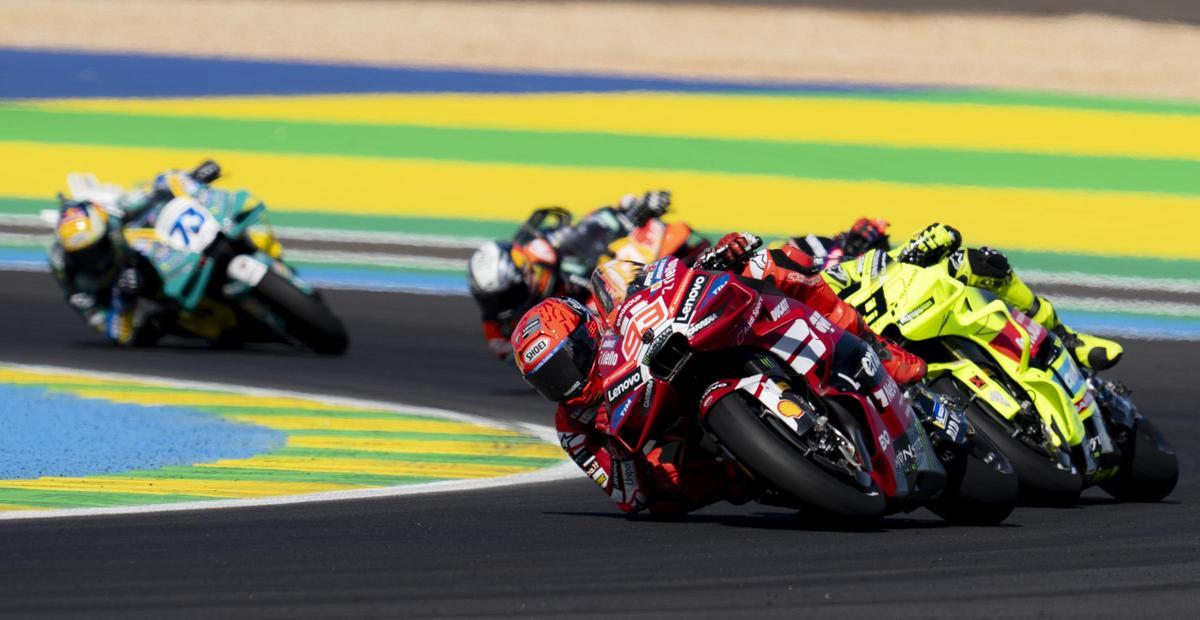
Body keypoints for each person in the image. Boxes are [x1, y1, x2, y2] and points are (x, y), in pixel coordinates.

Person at [509, 232, 924, 515]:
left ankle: (871, 344)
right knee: (661, 498)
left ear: (588, 334)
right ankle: (754, 469)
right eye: (548, 381)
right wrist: (630, 455)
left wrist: (713, 260)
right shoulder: (572, 425)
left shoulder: (613, 321)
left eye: (564, 365)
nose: (563, 384)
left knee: (770, 263)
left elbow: (658, 282)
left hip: (688, 347)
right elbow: (626, 493)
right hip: (680, 436)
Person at [49, 160, 280, 346]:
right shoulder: (71, 278)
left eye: (95, 250)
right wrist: (124, 301)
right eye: (81, 256)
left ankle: (272, 258)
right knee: (166, 324)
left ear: (108, 233)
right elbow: (116, 332)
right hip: (151, 295)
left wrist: (193, 178)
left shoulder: (119, 214)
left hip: (173, 252)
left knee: (242, 221)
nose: (91, 260)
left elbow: (159, 184)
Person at [468, 190, 676, 360]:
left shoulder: (543, 254)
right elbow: (511, 355)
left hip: (590, 287)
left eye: (507, 295)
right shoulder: (499, 326)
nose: (500, 305)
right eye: (489, 300)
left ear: (526, 274)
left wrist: (632, 211)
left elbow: (587, 228)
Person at [889, 223, 1123, 370]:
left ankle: (1066, 338)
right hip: (877, 347)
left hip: (900, 300)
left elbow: (876, 260)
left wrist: (909, 248)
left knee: (984, 263)